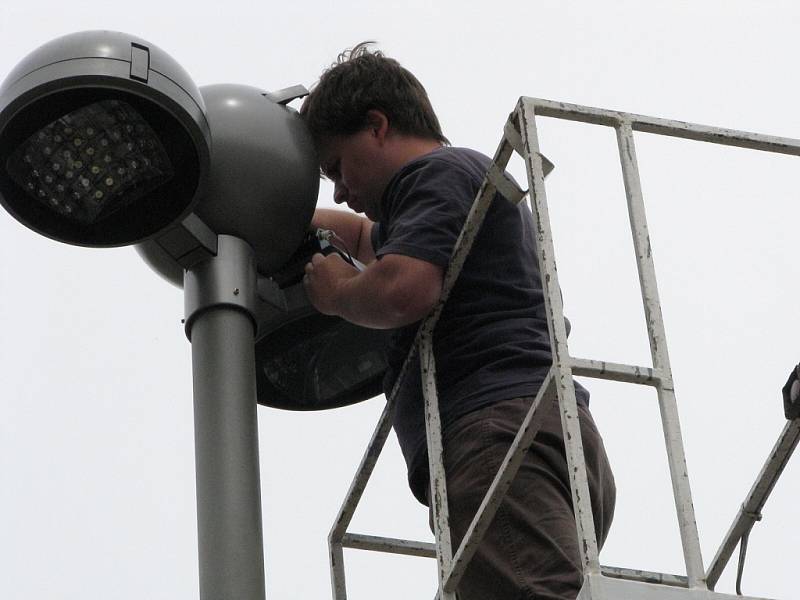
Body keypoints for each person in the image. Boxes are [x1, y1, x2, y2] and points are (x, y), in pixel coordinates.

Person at [300, 43, 616, 600]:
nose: (341, 191)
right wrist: (286, 214)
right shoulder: (445, 192)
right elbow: (362, 238)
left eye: (337, 168)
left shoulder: (434, 175)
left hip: (495, 433)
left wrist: (336, 294)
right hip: (533, 428)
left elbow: (402, 289)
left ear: (377, 125)